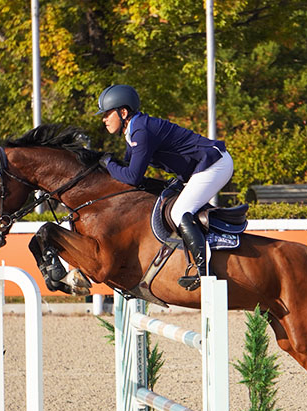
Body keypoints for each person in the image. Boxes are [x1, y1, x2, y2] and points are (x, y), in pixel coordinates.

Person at [95, 84, 233, 291]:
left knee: (179, 211)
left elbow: (132, 177)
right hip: (197, 169)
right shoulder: (133, 129)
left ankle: (205, 272)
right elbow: (128, 171)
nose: (104, 119)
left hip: (214, 164)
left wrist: (108, 163)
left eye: (107, 114)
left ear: (122, 112)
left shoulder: (141, 131)